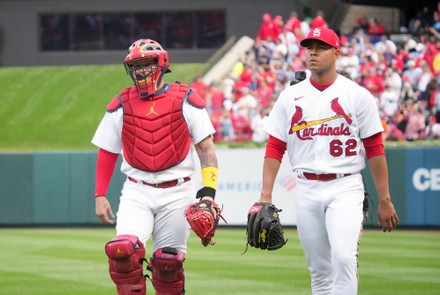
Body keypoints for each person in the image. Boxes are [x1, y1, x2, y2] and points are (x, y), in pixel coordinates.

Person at [254, 27, 399, 294]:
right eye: (309, 47)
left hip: (345, 186)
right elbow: (275, 146)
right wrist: (266, 195)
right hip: (306, 187)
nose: (313, 52)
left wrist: (385, 199)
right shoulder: (290, 97)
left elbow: (375, 148)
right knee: (319, 270)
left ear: (336, 52)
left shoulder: (357, 95)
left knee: (344, 259)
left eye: (320, 47)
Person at [92, 38, 219, 295]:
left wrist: (208, 192)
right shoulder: (120, 104)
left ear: (161, 64)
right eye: (136, 65)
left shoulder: (186, 99)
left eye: (146, 63)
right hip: (137, 190)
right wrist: (100, 194)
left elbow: (205, 148)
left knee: (168, 262)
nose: (140, 70)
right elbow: (107, 151)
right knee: (123, 253)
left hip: (178, 191)